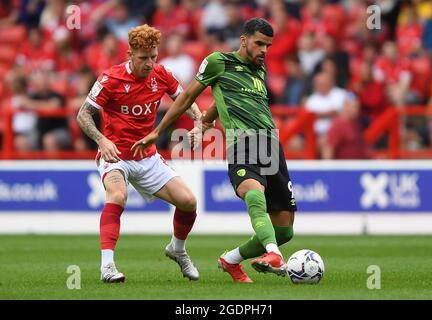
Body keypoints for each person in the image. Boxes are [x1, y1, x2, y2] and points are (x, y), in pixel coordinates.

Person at [131, 18, 297, 283]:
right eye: (259, 44)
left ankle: (230, 260)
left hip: (272, 145)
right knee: (254, 194)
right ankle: (273, 254)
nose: (264, 50)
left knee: (285, 230)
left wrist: (206, 121)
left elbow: (228, 98)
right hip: (243, 143)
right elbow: (186, 97)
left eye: (268, 46)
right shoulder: (218, 61)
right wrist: (158, 131)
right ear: (243, 41)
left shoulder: (260, 69)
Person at [76, 24, 202, 283]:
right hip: (115, 156)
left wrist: (199, 124)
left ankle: (177, 250)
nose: (149, 63)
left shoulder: (162, 75)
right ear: (129, 54)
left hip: (147, 157)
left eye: (153, 57)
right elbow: (83, 114)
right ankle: (107, 267)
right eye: (143, 58)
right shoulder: (110, 79)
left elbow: (186, 100)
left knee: (189, 202)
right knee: (118, 195)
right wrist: (101, 140)